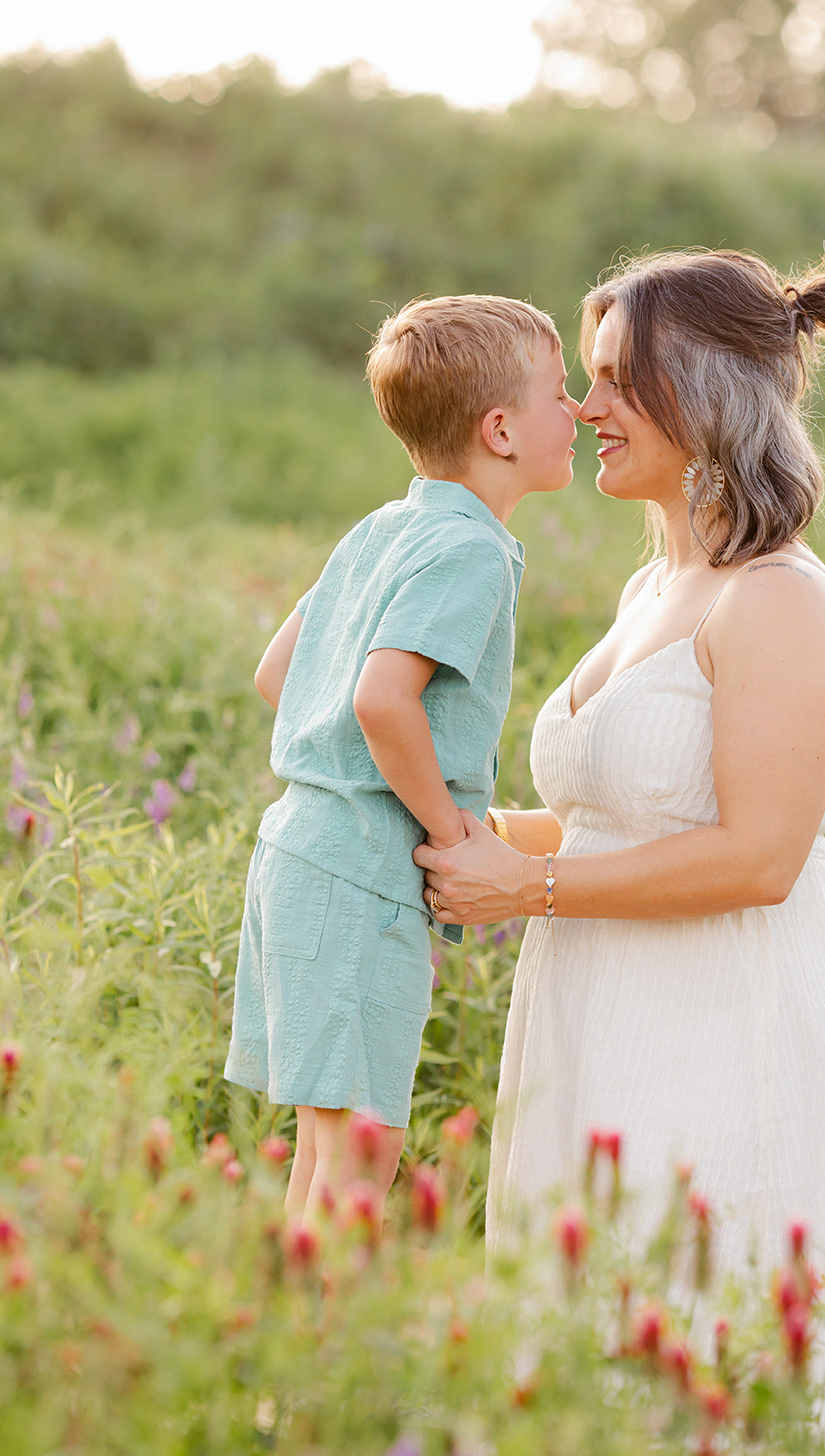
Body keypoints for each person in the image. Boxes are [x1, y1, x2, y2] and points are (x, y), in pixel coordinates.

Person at [415, 250, 825, 1309]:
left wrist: (525, 888)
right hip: (594, 1001)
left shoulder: (776, 600)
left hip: (719, 1016)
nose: (587, 408)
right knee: (587, 1306)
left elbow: (760, 856)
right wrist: (467, 829)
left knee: (699, 1310)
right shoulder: (654, 584)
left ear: (706, 394)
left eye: (618, 382)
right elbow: (615, 820)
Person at [224, 294, 580, 1227]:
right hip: (360, 874)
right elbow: (380, 699)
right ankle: (320, 1363)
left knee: (327, 1143)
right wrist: (449, 829)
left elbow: (278, 673)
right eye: (561, 392)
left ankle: (280, 1358)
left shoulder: (384, 529)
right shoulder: (471, 549)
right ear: (500, 429)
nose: (578, 411)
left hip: (300, 851)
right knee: (361, 1153)